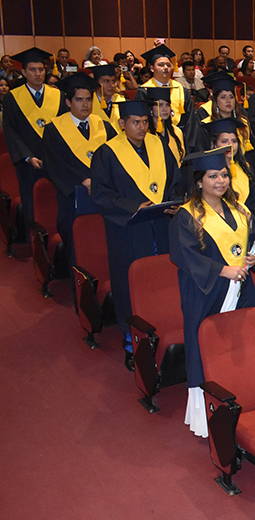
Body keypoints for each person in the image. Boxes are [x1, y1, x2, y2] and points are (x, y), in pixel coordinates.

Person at [169, 147, 255, 437]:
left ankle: (243, 398)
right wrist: (224, 271)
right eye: (212, 176)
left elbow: (254, 239)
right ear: (199, 181)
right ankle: (204, 417)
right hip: (205, 291)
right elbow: (185, 255)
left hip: (240, 287)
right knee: (205, 347)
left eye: (223, 174)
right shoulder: (186, 217)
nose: (220, 181)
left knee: (240, 343)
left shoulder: (239, 209)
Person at [90, 99, 181, 370]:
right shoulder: (107, 153)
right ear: (121, 124)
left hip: (161, 228)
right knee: (129, 285)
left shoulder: (159, 145)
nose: (141, 127)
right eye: (135, 122)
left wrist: (174, 201)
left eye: (145, 122)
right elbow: (102, 195)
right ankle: (132, 344)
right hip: (129, 231)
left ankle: (167, 333)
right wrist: (133, 207)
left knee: (164, 283)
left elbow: (175, 180)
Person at [40, 73, 118, 280]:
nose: (85, 105)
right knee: (79, 245)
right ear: (68, 102)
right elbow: (53, 165)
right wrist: (83, 180)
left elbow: (117, 158)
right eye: (79, 100)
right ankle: (82, 294)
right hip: (72, 200)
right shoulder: (54, 130)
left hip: (105, 197)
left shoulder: (104, 126)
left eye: (88, 99)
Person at [3, 48, 67, 227]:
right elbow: (10, 132)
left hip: (55, 161)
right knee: (32, 203)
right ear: (23, 72)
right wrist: (28, 156)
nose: (38, 74)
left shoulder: (58, 96)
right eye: (32, 69)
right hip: (28, 163)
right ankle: (37, 244)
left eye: (41, 69)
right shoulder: (13, 98)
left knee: (57, 202)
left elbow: (64, 129)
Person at [205, 118, 255, 215]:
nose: (230, 145)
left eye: (234, 141)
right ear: (215, 144)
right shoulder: (209, 171)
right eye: (224, 141)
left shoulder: (245, 167)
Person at [135, 44, 193, 131]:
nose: (165, 68)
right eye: (161, 65)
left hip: (180, 135)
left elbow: (190, 119)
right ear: (152, 68)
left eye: (168, 65)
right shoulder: (144, 91)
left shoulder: (180, 89)